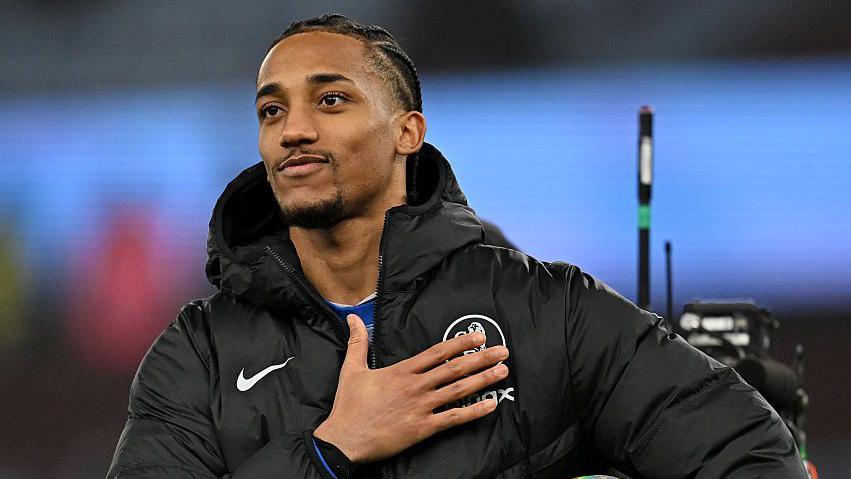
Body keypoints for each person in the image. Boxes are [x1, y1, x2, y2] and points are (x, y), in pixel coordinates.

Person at [107, 14, 807, 479]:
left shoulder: (546, 310)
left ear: (407, 132)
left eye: (330, 100)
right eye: (271, 110)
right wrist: (328, 451)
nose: (293, 130)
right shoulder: (198, 353)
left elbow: (750, 455)